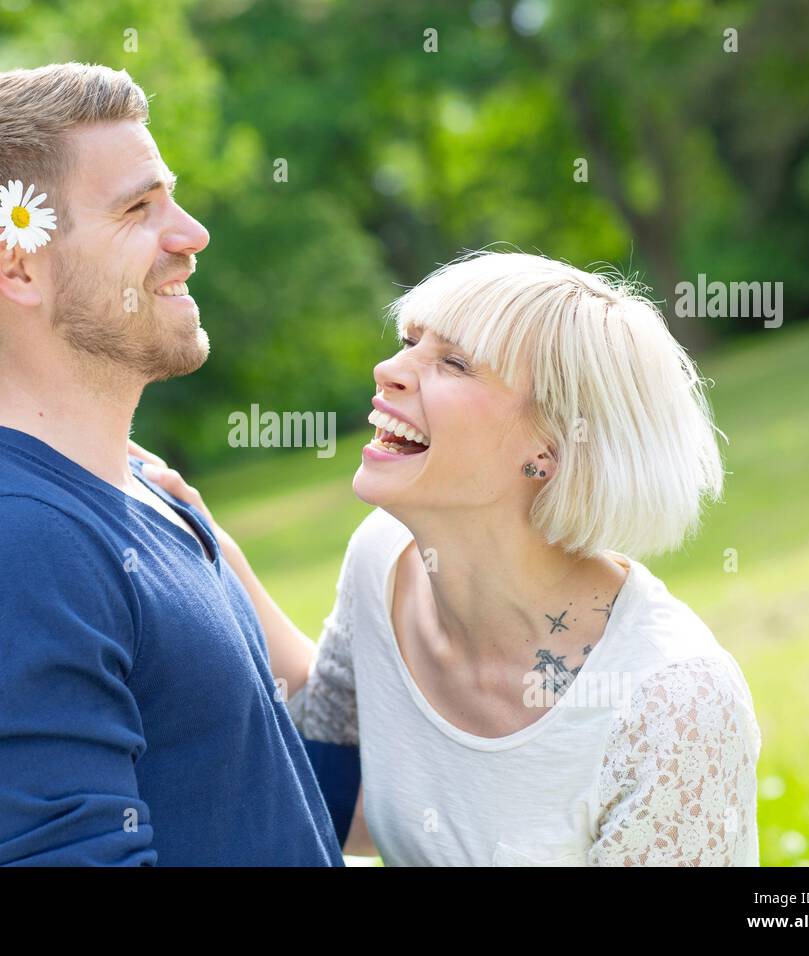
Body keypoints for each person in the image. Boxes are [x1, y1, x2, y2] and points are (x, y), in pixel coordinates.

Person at [144, 250, 763, 865]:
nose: (389, 368)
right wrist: (209, 550)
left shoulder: (675, 706)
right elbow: (327, 766)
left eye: (455, 362)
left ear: (552, 446)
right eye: (410, 341)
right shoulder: (382, 560)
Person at [0, 62, 344, 866]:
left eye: (171, 195)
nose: (191, 234)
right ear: (18, 265)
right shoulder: (10, 550)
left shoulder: (142, 494)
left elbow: (303, 802)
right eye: (138, 208)